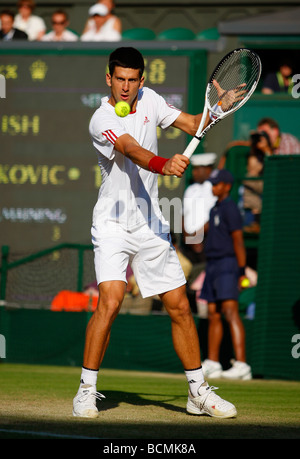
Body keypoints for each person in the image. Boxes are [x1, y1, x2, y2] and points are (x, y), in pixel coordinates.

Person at [72, 46, 245, 419]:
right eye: (119, 79)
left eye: (133, 80)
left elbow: (192, 122)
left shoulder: (151, 100)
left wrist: (217, 109)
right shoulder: (100, 117)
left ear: (141, 81)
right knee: (112, 299)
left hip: (150, 224)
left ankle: (197, 392)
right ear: (109, 78)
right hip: (113, 223)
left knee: (180, 307)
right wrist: (163, 164)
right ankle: (86, 389)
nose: (126, 86)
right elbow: (131, 149)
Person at [199, 169, 252, 380]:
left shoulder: (230, 208)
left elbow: (238, 241)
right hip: (212, 265)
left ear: (227, 186)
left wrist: (241, 271)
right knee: (213, 313)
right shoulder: (215, 208)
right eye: (212, 184)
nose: (213, 187)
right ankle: (213, 363)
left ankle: (242, 365)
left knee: (230, 312)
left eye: (217, 184)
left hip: (227, 264)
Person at [181, 152, 217, 282]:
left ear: (208, 169)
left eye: (198, 169)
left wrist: (198, 237)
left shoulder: (214, 188)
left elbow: (213, 216)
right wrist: (188, 237)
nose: (194, 173)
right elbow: (184, 214)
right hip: (189, 243)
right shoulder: (190, 189)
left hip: (205, 242)